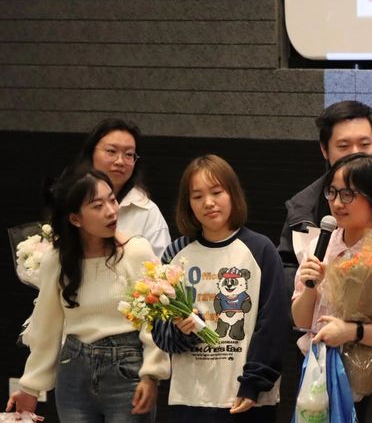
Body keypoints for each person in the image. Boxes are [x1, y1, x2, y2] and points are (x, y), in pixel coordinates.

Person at [6, 167, 170, 421]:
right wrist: (30, 386)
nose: (111, 211)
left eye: (112, 200)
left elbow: (155, 319)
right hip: (74, 371)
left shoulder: (136, 250)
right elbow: (46, 326)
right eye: (98, 206)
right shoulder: (56, 260)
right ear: (75, 219)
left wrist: (151, 374)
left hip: (127, 368)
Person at [151, 154, 287, 423]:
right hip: (190, 399)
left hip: (247, 399)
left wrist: (253, 383)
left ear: (232, 194)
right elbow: (160, 333)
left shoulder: (260, 249)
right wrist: (182, 331)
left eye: (216, 192)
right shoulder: (175, 253)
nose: (208, 202)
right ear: (188, 204)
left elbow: (274, 323)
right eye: (197, 196)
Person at [292, 153, 372, 422]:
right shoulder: (318, 247)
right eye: (332, 192)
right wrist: (311, 288)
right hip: (322, 377)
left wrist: (352, 332)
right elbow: (301, 320)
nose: (337, 203)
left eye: (348, 194)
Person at [277, 100, 372, 296]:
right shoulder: (303, 205)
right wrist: (309, 287)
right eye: (344, 146)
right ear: (324, 150)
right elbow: (286, 268)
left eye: (364, 144)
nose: (355, 153)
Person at [75, 118, 171, 256]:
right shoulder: (70, 200)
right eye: (111, 151)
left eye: (129, 154)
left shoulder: (148, 212)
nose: (120, 161)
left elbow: (161, 266)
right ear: (91, 153)